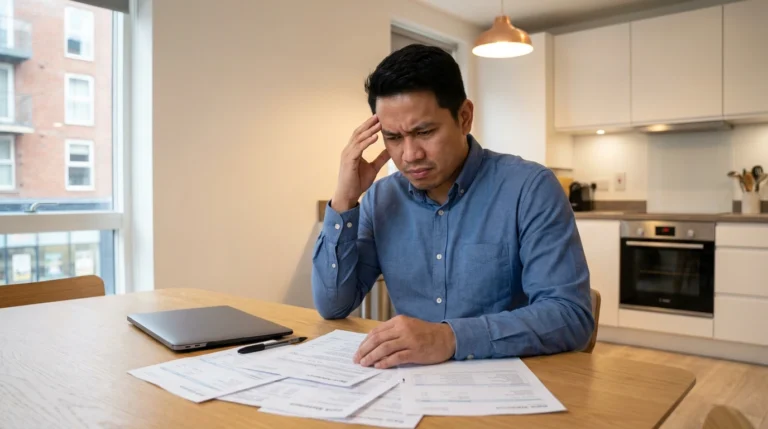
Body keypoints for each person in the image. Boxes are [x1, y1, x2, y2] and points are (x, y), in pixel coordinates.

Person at [312, 44, 594, 369]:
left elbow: (571, 316)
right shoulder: (381, 200)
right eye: (393, 137)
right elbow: (333, 306)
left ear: (464, 117)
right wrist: (345, 199)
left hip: (510, 389)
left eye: (425, 132)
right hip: (409, 388)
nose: (409, 154)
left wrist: (450, 338)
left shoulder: (529, 188)